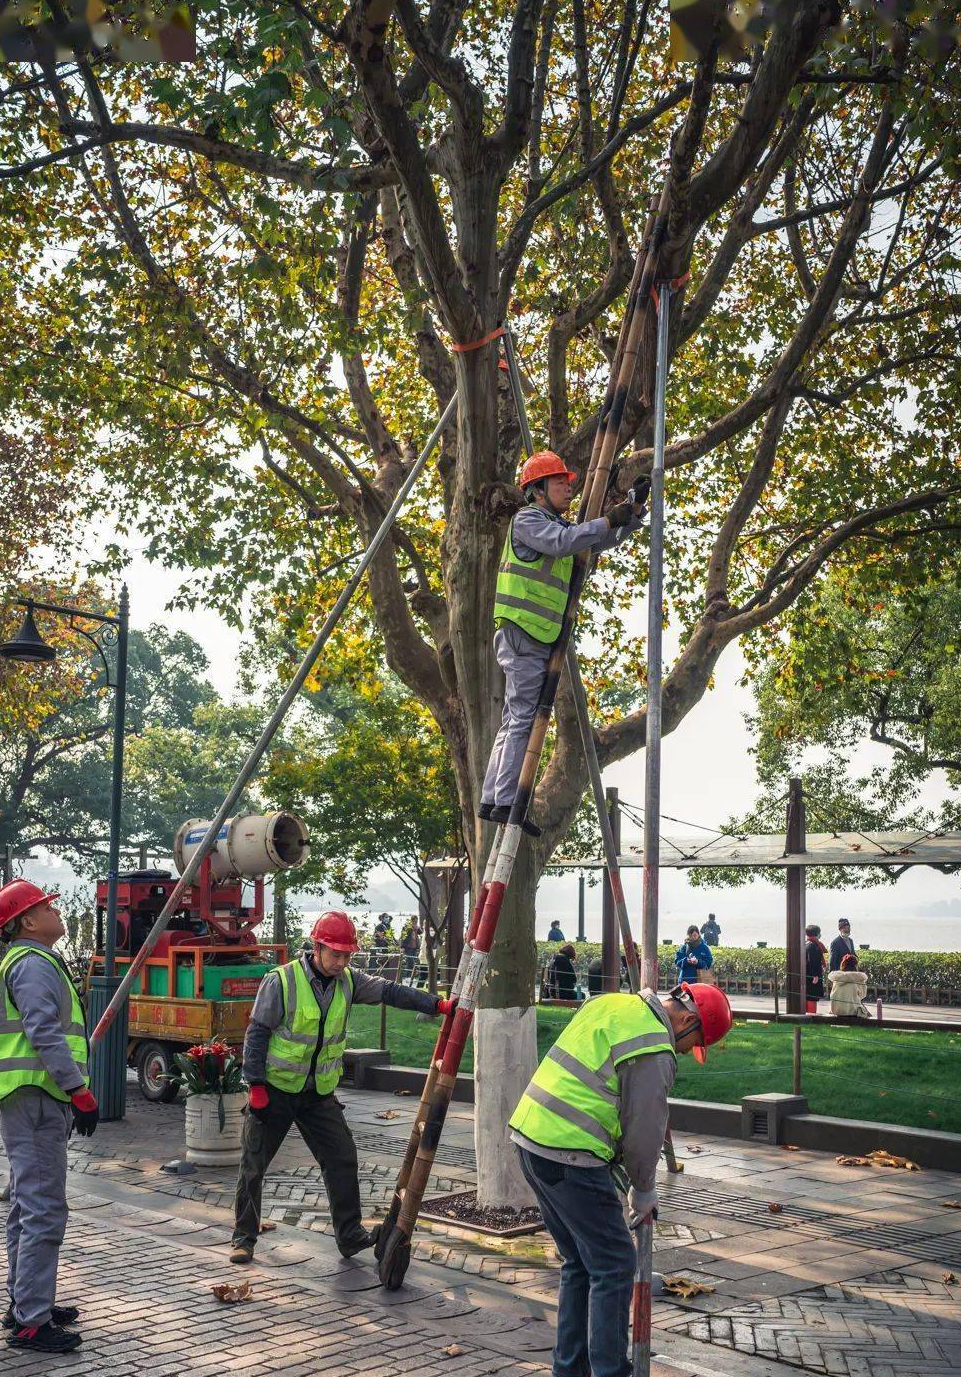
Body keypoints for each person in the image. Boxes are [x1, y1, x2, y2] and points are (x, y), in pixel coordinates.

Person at [509, 980, 733, 1377]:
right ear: (687, 1020)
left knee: (579, 1261)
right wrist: (643, 1188)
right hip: (571, 1152)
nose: (687, 1051)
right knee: (614, 1264)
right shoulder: (654, 1046)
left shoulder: (612, 1004)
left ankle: (570, 1372)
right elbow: (644, 1127)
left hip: (531, 1136)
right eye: (694, 1043)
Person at [230, 910, 451, 1264]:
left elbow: (389, 992)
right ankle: (244, 1238)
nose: (342, 962)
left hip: (318, 1094)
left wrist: (435, 1004)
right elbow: (257, 1033)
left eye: (347, 955)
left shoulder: (349, 981)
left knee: (342, 1159)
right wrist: (255, 1084)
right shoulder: (281, 981)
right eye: (336, 954)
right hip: (275, 1090)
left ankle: (349, 1236)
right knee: (254, 1164)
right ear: (316, 947)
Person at [480, 451, 649, 832]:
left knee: (516, 718)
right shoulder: (528, 520)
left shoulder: (560, 527)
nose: (568, 489)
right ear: (538, 490)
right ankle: (505, 801)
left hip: (536, 634)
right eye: (560, 483)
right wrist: (608, 518)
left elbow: (596, 539)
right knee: (522, 717)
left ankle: (495, 799)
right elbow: (564, 541)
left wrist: (633, 511)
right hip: (524, 631)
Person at [0, 880, 100, 1355]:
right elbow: (43, 1031)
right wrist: (78, 1089)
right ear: (28, 921)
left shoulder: (31, 960)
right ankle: (32, 1321)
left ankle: (27, 1303)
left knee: (26, 1205)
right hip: (37, 1095)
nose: (56, 910)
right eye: (47, 906)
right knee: (44, 1207)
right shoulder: (32, 963)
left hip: (31, 1095)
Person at [829, 953, 870, 1018]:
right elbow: (863, 995)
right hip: (852, 1011)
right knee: (865, 1012)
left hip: (836, 1010)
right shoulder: (859, 978)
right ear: (855, 965)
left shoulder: (837, 978)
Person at [805, 924, 827, 1011]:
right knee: (812, 998)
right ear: (817, 934)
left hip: (808, 976)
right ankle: (812, 1015)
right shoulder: (813, 945)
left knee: (809, 997)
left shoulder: (807, 943)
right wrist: (815, 975)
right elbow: (812, 961)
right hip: (812, 977)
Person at [400, 915, 421, 982]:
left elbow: (421, 933)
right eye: (414, 921)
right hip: (408, 947)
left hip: (414, 947)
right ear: (411, 921)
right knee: (410, 961)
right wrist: (402, 947)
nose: (415, 922)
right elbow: (403, 937)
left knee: (410, 963)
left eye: (416, 921)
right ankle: (410, 975)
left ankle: (409, 977)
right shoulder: (406, 927)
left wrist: (417, 928)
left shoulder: (416, 928)